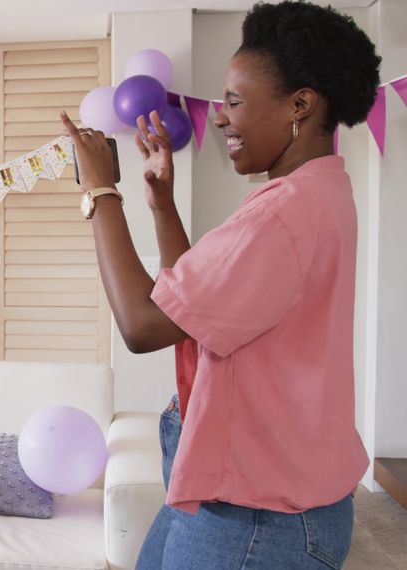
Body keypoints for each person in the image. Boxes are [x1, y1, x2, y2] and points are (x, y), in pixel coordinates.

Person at [60, 2, 380, 568]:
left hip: (259, 518)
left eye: (234, 101)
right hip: (242, 492)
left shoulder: (282, 215)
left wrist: (101, 191)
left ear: (300, 105)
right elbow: (194, 306)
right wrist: (161, 204)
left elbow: (142, 325)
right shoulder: (319, 192)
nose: (225, 118)